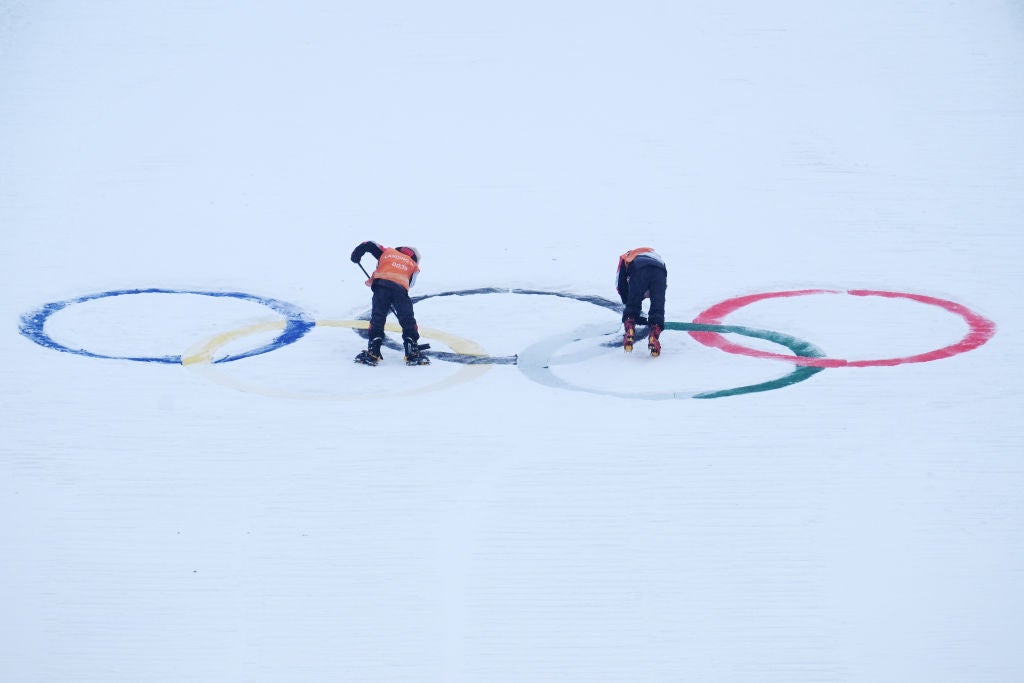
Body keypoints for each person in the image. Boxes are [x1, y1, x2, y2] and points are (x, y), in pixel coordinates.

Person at [350, 241, 429, 365]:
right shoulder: (414, 265)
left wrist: (356, 254)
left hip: (381, 286)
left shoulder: (387, 252)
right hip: (400, 291)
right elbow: (411, 284)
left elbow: (369, 244)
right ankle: (411, 349)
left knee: (378, 318)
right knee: (407, 319)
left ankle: (373, 350)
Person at [615, 247, 667, 356]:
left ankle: (629, 327)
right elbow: (660, 290)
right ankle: (654, 333)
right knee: (658, 305)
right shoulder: (658, 258)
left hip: (639, 269)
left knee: (632, 303)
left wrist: (629, 305)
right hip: (660, 271)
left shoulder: (626, 256)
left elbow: (620, 286)